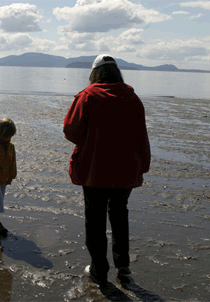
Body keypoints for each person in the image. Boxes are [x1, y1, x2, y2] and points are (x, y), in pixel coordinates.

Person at [63, 54, 151, 287]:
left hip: (95, 170)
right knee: (120, 215)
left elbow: (71, 130)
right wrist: (143, 165)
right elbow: (142, 135)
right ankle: (123, 267)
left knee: (95, 219)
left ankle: (99, 269)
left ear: (95, 73)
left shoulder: (87, 96)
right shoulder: (132, 98)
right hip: (125, 170)